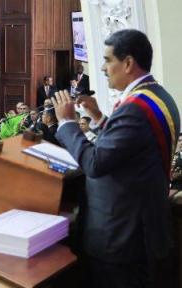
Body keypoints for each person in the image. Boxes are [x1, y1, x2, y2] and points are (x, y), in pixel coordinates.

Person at [52, 29, 179, 288]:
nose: (102, 68)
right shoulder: (157, 95)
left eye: (108, 60)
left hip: (123, 237)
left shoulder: (134, 108)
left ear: (128, 63)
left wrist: (66, 123)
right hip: (141, 225)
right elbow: (131, 146)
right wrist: (99, 118)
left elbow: (95, 163)